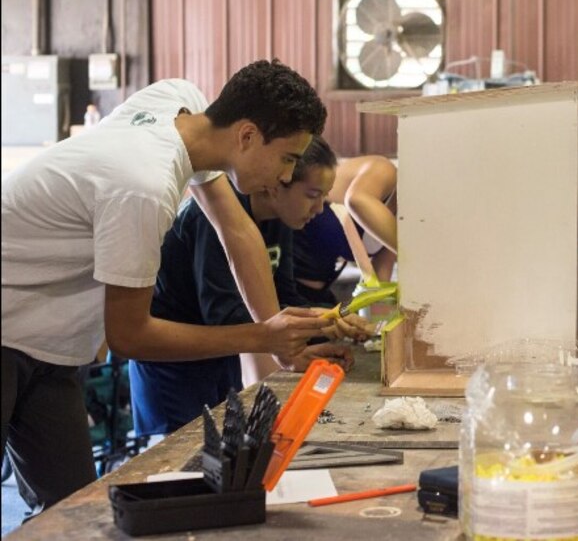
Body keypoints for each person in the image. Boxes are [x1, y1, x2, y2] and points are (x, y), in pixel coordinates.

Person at [2, 59, 331, 515]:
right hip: (7, 326)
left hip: (49, 349)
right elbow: (130, 335)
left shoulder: (180, 103)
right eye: (288, 159)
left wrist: (276, 335)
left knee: (73, 512)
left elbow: (233, 231)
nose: (285, 177)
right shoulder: (143, 185)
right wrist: (260, 336)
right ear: (248, 136)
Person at [129, 136, 362, 436]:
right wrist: (314, 323)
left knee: (222, 457)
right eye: (312, 195)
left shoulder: (280, 218)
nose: (319, 209)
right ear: (279, 183)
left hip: (221, 356)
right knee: (178, 467)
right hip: (175, 363)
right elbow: (222, 311)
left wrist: (332, 318)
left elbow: (282, 297)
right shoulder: (215, 216)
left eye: (324, 198)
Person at [293, 155, 399, 308]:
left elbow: (379, 287)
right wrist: (418, 260)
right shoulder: (385, 170)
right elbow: (355, 200)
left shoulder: (400, 229)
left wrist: (380, 327)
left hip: (316, 292)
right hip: (285, 275)